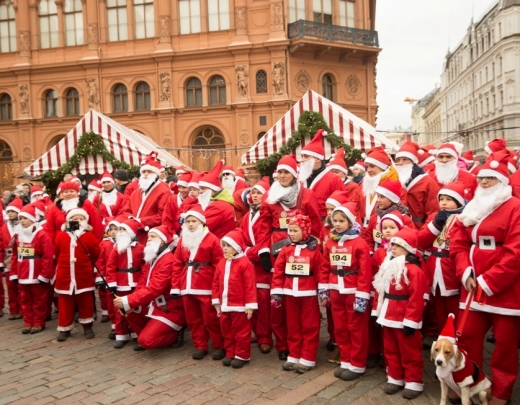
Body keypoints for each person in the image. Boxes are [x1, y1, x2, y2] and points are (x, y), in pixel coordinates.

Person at [450, 152, 520, 405]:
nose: (485, 182)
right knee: (466, 336)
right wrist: (465, 271)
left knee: (505, 344)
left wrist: (489, 280)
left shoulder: (515, 207)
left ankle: (501, 391)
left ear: (503, 181)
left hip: (505, 288)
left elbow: (517, 251)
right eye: (482, 178)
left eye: (491, 178)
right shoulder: (472, 206)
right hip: (472, 284)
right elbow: (457, 242)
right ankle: (469, 382)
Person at [261, 154, 321, 361]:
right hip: (278, 252)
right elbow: (263, 226)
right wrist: (263, 251)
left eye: (287, 172)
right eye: (280, 172)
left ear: (295, 174)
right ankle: (283, 345)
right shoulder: (270, 196)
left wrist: (313, 245)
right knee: (278, 302)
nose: (283, 176)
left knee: (300, 302)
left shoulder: (306, 194)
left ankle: (305, 346)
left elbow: (316, 222)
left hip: (302, 252)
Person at [319, 203, 372, 381]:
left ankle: (357, 364)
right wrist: (324, 288)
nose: (338, 224)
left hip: (353, 291)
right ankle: (346, 360)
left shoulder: (360, 243)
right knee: (340, 328)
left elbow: (365, 272)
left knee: (356, 328)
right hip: (335, 290)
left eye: (342, 221)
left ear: (350, 222)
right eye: (335, 220)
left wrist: (362, 294)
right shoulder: (331, 242)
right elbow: (325, 266)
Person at [372, 227, 426, 399]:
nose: (392, 248)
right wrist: (377, 312)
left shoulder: (413, 270)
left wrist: (411, 321)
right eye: (392, 244)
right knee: (390, 349)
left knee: (410, 351)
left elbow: (416, 297)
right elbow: (380, 290)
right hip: (387, 314)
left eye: (397, 245)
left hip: (403, 316)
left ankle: (413, 381)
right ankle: (395, 377)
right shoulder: (387, 266)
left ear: (408, 248)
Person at [114, 226, 186, 351]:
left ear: (162, 241)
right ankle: (148, 334)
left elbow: (154, 288)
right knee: (128, 310)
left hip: (168, 308)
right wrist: (130, 304)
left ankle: (174, 335)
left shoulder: (168, 260)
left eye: (153, 237)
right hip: (154, 305)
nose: (148, 240)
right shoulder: (151, 258)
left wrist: (128, 300)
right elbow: (142, 284)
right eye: (148, 237)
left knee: (146, 341)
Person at [170, 205, 225, 360]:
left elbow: (218, 265)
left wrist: (217, 287)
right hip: (186, 285)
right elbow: (177, 264)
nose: (191, 224)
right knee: (193, 319)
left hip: (205, 285)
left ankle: (219, 345)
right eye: (188, 221)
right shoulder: (183, 240)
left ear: (201, 222)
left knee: (211, 319)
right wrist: (175, 286)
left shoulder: (212, 240)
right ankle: (200, 345)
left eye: (194, 221)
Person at [271, 214, 322, 374]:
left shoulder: (314, 251)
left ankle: (307, 357)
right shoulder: (286, 250)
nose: (291, 234)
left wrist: (323, 292)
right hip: (289, 293)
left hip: (308, 294)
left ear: (305, 231)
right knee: (293, 325)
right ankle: (294, 355)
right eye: (290, 230)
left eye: (295, 230)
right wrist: (276, 292)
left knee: (310, 326)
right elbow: (278, 271)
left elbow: (320, 272)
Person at [417, 182, 466, 334]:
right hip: (435, 269)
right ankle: (441, 337)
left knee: (454, 309)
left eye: (448, 199)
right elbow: (422, 240)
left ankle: (455, 341)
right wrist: (436, 225)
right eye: (441, 199)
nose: (443, 202)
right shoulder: (434, 217)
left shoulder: (465, 218)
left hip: (451, 268)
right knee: (438, 308)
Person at [212, 229, 257, 369]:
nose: (224, 248)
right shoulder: (221, 263)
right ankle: (230, 352)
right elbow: (215, 283)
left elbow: (250, 285)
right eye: (223, 245)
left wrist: (250, 305)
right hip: (225, 305)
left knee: (241, 332)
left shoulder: (245, 263)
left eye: (228, 245)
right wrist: (216, 302)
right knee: (227, 330)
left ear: (236, 247)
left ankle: (242, 355)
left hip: (240, 306)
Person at [53, 208, 101, 341]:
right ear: (68, 221)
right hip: (65, 274)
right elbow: (57, 253)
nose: (78, 222)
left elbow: (96, 253)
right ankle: (65, 327)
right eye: (75, 219)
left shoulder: (88, 236)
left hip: (83, 274)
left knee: (85, 301)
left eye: (81, 219)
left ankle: (87, 325)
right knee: (65, 303)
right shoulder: (61, 236)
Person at [239, 177, 273, 354]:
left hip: (261, 264)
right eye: (254, 192)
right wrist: (244, 250)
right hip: (249, 264)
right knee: (249, 299)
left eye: (260, 192)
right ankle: (257, 331)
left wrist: (249, 253)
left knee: (263, 302)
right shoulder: (246, 216)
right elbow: (243, 237)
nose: (256, 195)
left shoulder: (268, 214)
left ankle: (265, 336)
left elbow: (265, 239)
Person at [9, 204, 53, 334]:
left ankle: (39, 322)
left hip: (37, 273)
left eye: (25, 218)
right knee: (25, 299)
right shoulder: (18, 235)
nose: (22, 221)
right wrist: (14, 273)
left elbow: (47, 256)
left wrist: (44, 274)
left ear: (32, 219)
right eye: (20, 218)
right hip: (23, 273)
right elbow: (15, 256)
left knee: (39, 299)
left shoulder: (41, 235)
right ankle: (28, 322)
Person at [106, 219, 144, 348]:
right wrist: (111, 282)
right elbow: (110, 266)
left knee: (135, 310)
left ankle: (136, 332)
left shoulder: (140, 248)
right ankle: (121, 334)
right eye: (120, 230)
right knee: (120, 311)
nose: (120, 232)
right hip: (121, 283)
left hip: (136, 283)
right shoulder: (116, 249)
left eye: (124, 230)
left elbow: (144, 266)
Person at [122, 153, 171, 245]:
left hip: (152, 236)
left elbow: (162, 216)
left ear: (156, 174)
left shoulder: (164, 191)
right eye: (143, 172)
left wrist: (140, 221)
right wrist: (131, 218)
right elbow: (126, 210)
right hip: (134, 235)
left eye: (149, 171)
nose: (145, 174)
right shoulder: (136, 192)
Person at [299, 129, 346, 220]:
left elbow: (342, 206)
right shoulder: (300, 178)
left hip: (323, 226)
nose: (302, 159)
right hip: (301, 227)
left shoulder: (334, 180)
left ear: (317, 159)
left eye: (306, 156)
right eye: (302, 156)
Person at [394, 141, 440, 229]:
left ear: (413, 162)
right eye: (398, 160)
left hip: (419, 229)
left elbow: (433, 212)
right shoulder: (394, 180)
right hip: (397, 229)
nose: (400, 163)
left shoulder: (427, 182)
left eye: (405, 159)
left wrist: (424, 233)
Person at [361, 179, 414, 252]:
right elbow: (368, 238)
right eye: (378, 196)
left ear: (392, 199)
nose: (378, 200)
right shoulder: (374, 217)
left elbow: (411, 240)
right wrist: (370, 253)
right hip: (376, 258)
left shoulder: (404, 219)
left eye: (382, 197)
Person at [361, 146, 399, 228]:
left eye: (372, 166)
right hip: (363, 229)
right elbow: (356, 206)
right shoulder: (365, 184)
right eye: (367, 167)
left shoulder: (394, 185)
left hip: (383, 229)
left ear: (382, 167)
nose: (368, 170)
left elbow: (397, 210)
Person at [198, 160, 236, 239]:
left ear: (213, 190)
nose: (200, 191)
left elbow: (201, 228)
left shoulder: (218, 207)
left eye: (203, 188)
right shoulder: (219, 203)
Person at [96, 218, 120, 333]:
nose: (114, 232)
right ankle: (114, 325)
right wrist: (100, 277)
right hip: (107, 277)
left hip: (121, 278)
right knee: (110, 302)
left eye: (116, 229)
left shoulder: (124, 243)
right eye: (111, 230)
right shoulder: (104, 244)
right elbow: (100, 261)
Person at [0, 197, 23, 319]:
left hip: (20, 258)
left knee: (21, 285)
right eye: (8, 212)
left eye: (13, 211)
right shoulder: (4, 227)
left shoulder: (23, 225)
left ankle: (22, 309)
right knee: (10, 285)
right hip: (8, 259)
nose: (10, 214)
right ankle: (14, 309)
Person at [327, 147, 365, 222]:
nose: (334, 175)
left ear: (344, 173)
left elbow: (354, 207)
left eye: (337, 172)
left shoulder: (353, 187)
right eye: (332, 172)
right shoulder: (329, 185)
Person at [162, 171, 192, 238]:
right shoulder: (172, 199)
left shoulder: (194, 201)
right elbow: (166, 219)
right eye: (179, 187)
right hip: (173, 234)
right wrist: (173, 234)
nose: (181, 190)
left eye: (184, 187)